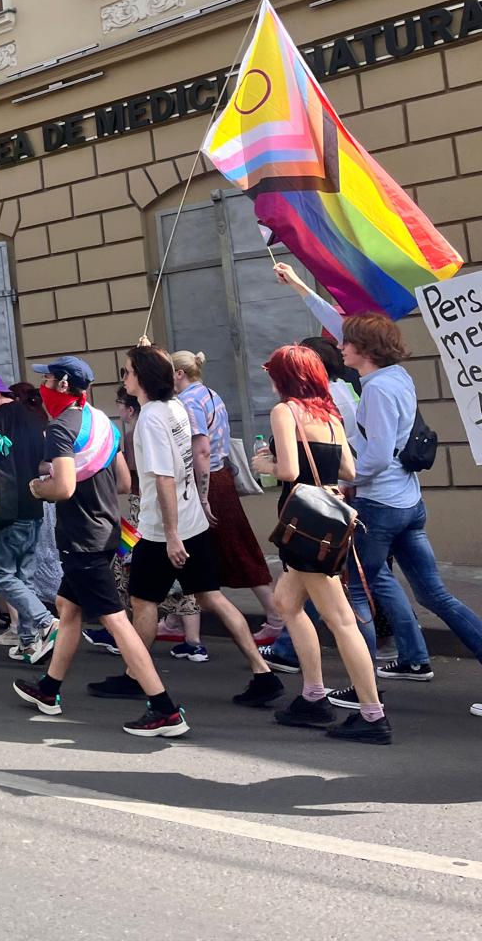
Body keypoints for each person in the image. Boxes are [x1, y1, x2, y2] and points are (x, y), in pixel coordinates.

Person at [13, 356, 191, 737]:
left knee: (115, 621)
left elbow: (61, 488)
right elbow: (125, 482)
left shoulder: (61, 428)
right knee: (68, 608)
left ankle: (164, 709)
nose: (42, 386)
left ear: (61, 386)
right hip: (107, 530)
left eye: (46, 380)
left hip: (81, 538)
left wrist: (36, 487)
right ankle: (48, 689)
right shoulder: (99, 421)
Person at [324, 313, 482, 711]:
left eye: (347, 343)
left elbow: (376, 456)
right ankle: (408, 664)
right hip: (409, 503)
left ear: (365, 351)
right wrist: (300, 289)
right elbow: (340, 321)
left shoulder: (376, 390)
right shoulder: (399, 377)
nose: (341, 348)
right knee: (436, 595)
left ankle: (366, 692)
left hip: (378, 504)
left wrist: (347, 479)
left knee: (358, 590)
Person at [118, 346, 283, 708]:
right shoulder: (177, 406)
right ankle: (262, 672)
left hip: (164, 528)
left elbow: (163, 478)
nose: (124, 378)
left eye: (127, 371)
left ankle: (135, 675)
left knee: (143, 602)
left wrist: (172, 534)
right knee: (211, 595)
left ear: (142, 377)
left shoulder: (150, 418)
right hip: (191, 519)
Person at [250, 346, 390, 743]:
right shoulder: (330, 414)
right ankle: (313, 696)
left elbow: (290, 471)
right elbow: (350, 469)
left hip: (302, 523)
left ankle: (372, 714)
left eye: (271, 371)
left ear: (283, 377)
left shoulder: (286, 412)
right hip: (325, 520)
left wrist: (266, 465)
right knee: (286, 604)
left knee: (341, 619)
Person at [170, 350, 282, 651]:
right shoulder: (210, 394)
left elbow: (201, 452)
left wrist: (203, 495)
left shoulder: (188, 402)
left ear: (179, 373)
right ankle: (178, 618)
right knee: (225, 548)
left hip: (207, 481)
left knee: (233, 548)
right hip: (220, 477)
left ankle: (276, 618)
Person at [0, 371, 54, 661]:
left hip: (8, 508)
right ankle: (28, 641)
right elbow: (42, 463)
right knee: (24, 577)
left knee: (3, 577)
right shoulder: (32, 416)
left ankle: (44, 621)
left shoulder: (5, 414)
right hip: (33, 506)